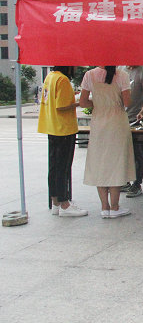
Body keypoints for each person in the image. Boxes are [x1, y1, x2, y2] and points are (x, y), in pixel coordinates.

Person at [79, 66, 135, 218]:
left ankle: (104, 207)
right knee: (116, 163)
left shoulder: (89, 75)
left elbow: (83, 102)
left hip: (99, 123)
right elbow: (127, 101)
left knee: (100, 163)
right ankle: (115, 207)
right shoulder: (122, 75)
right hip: (117, 122)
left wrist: (98, 103)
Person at [38, 66, 87, 217]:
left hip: (51, 127)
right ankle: (65, 204)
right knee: (63, 168)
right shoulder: (63, 80)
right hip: (64, 129)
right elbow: (62, 106)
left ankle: (56, 203)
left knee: (53, 167)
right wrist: (81, 102)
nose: (75, 68)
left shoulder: (50, 77)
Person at [120, 65, 143, 198]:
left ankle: (137, 183)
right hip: (121, 118)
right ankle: (125, 182)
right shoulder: (121, 70)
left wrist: (142, 112)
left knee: (137, 153)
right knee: (122, 153)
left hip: (135, 119)